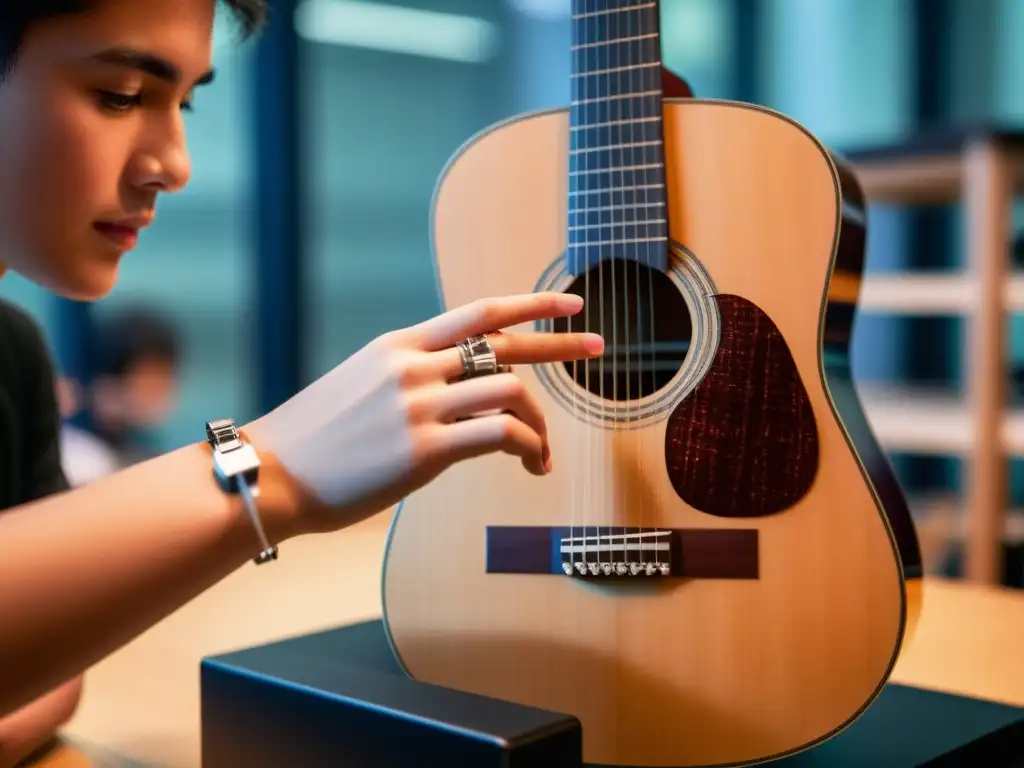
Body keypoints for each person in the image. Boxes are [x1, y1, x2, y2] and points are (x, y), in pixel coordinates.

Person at [0, 0, 603, 757]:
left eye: (184, 102)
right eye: (121, 96)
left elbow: (50, 670)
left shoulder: (16, 354)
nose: (176, 165)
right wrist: (270, 470)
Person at [60, 306, 182, 486]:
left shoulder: (144, 453)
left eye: (167, 378)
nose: (160, 393)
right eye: (150, 382)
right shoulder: (78, 460)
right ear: (109, 383)